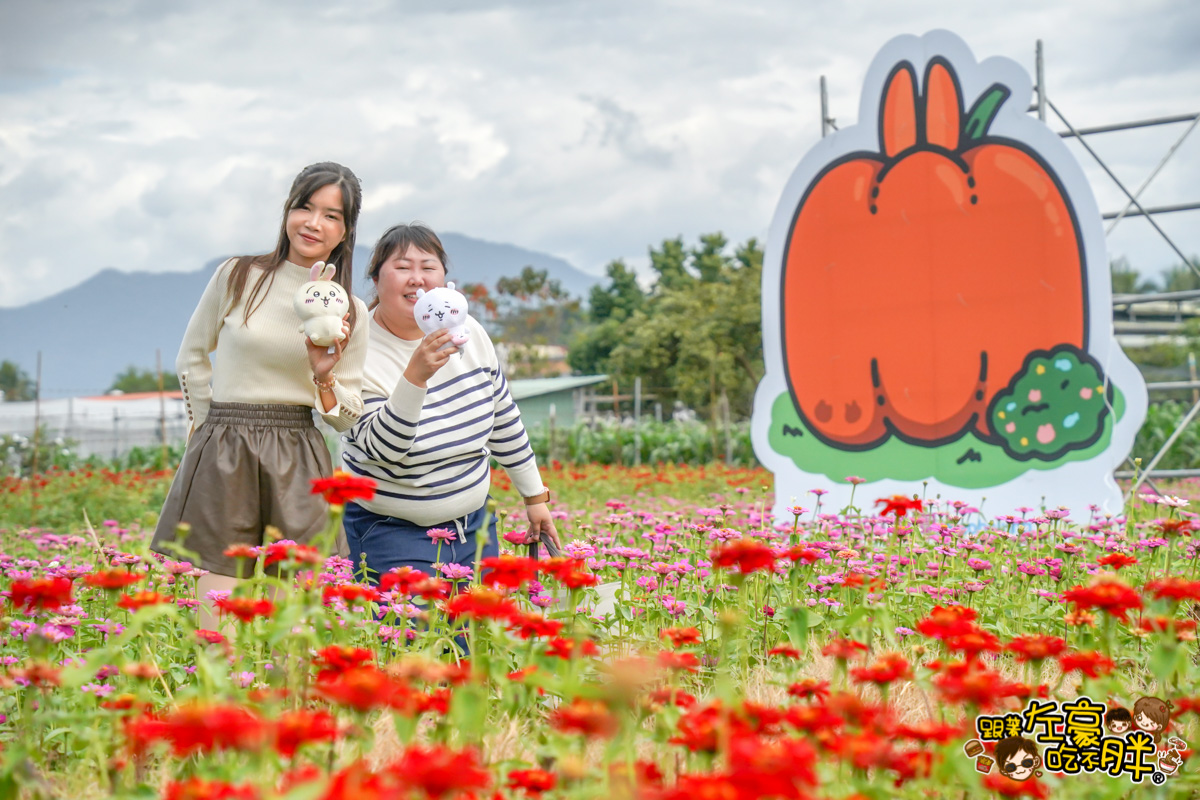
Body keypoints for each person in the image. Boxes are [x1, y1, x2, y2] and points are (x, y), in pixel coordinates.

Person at [151, 162, 370, 623]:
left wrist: (323, 376)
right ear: (288, 210)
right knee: (216, 616)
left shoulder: (350, 309)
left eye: (331, 215)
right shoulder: (238, 275)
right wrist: (205, 431)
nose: (313, 223)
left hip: (298, 449)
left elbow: (346, 416)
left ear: (345, 231)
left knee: (299, 617)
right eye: (304, 207)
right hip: (224, 444)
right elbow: (191, 358)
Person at [339, 223, 560, 584]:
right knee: (408, 636)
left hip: (474, 526)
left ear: (443, 281)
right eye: (402, 267)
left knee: (472, 636)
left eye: (428, 268)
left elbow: (502, 417)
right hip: (390, 530)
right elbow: (384, 450)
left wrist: (535, 497)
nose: (417, 279)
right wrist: (415, 377)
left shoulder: (468, 333)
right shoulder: (356, 348)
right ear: (376, 278)